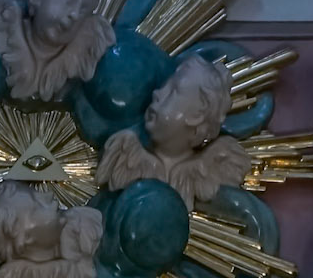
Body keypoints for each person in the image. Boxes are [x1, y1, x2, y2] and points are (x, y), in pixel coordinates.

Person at [96, 52, 250, 205]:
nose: (156, 93)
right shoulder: (127, 148)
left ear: (197, 115)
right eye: (164, 86)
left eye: (173, 90)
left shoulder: (215, 162)